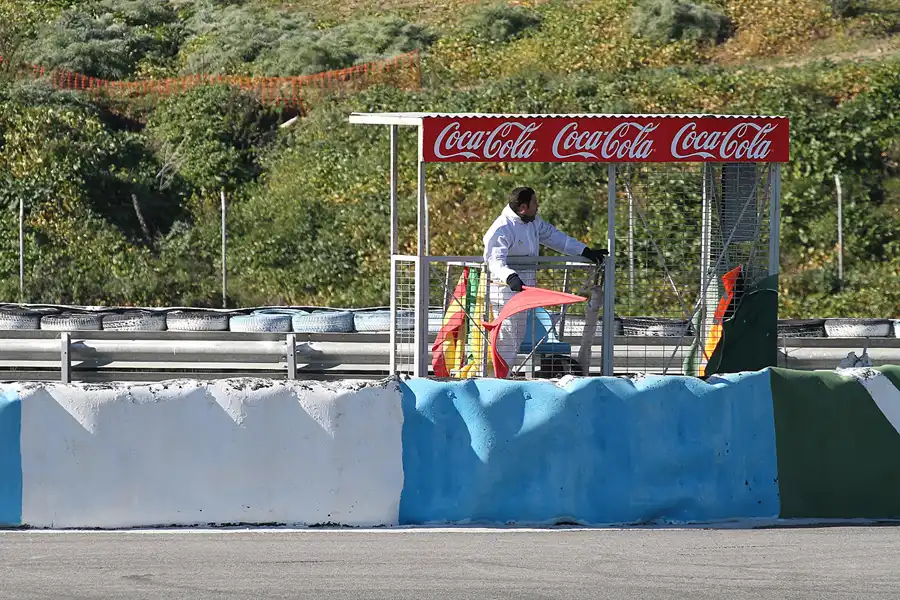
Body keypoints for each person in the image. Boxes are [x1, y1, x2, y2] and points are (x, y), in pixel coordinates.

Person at [482, 186, 607, 377]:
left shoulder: (534, 222)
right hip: (505, 291)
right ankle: (497, 379)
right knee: (507, 337)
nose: (538, 205)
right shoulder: (501, 228)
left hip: (523, 292)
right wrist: (509, 276)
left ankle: (502, 377)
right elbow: (494, 260)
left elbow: (555, 237)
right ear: (523, 207)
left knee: (515, 336)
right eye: (535, 202)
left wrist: (584, 251)